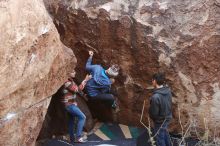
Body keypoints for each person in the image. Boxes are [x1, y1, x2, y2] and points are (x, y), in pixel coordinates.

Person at [61, 70, 91, 144]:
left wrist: (84, 95)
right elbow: (77, 89)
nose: (75, 73)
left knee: (71, 122)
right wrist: (85, 80)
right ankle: (78, 137)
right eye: (72, 72)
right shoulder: (67, 82)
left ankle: (72, 139)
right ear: (68, 73)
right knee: (82, 117)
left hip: (70, 105)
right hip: (70, 105)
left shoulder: (71, 81)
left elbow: (77, 89)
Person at [149, 72, 172, 146]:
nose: (152, 82)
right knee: (164, 133)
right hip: (167, 117)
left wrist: (153, 117)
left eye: (152, 80)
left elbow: (154, 114)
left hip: (159, 120)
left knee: (160, 139)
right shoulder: (168, 90)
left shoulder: (156, 97)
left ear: (155, 81)